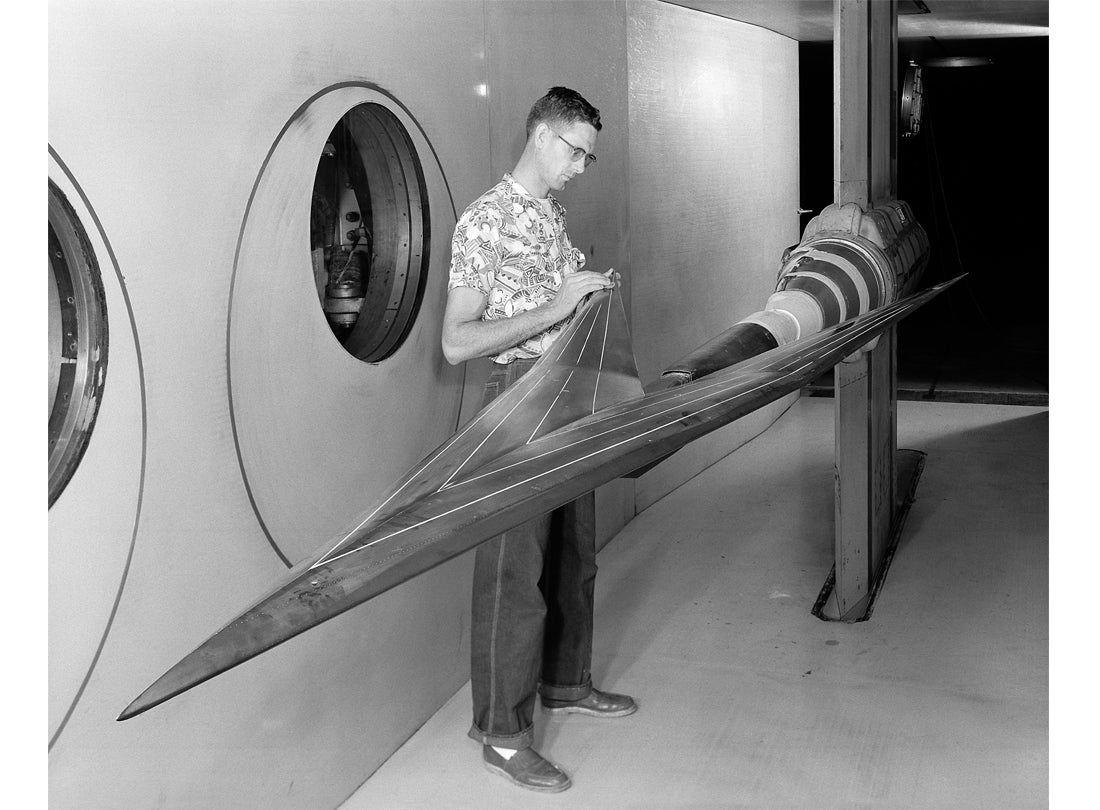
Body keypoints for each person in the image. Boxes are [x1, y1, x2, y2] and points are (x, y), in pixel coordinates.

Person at [442, 86, 636, 794]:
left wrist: (584, 299)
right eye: (578, 152)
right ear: (543, 137)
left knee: (574, 558)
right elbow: (456, 342)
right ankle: (501, 733)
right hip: (518, 404)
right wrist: (556, 306)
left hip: (567, 398)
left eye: (589, 156)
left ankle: (565, 681)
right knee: (511, 574)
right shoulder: (485, 221)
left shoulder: (550, 217)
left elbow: (549, 314)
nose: (583, 167)